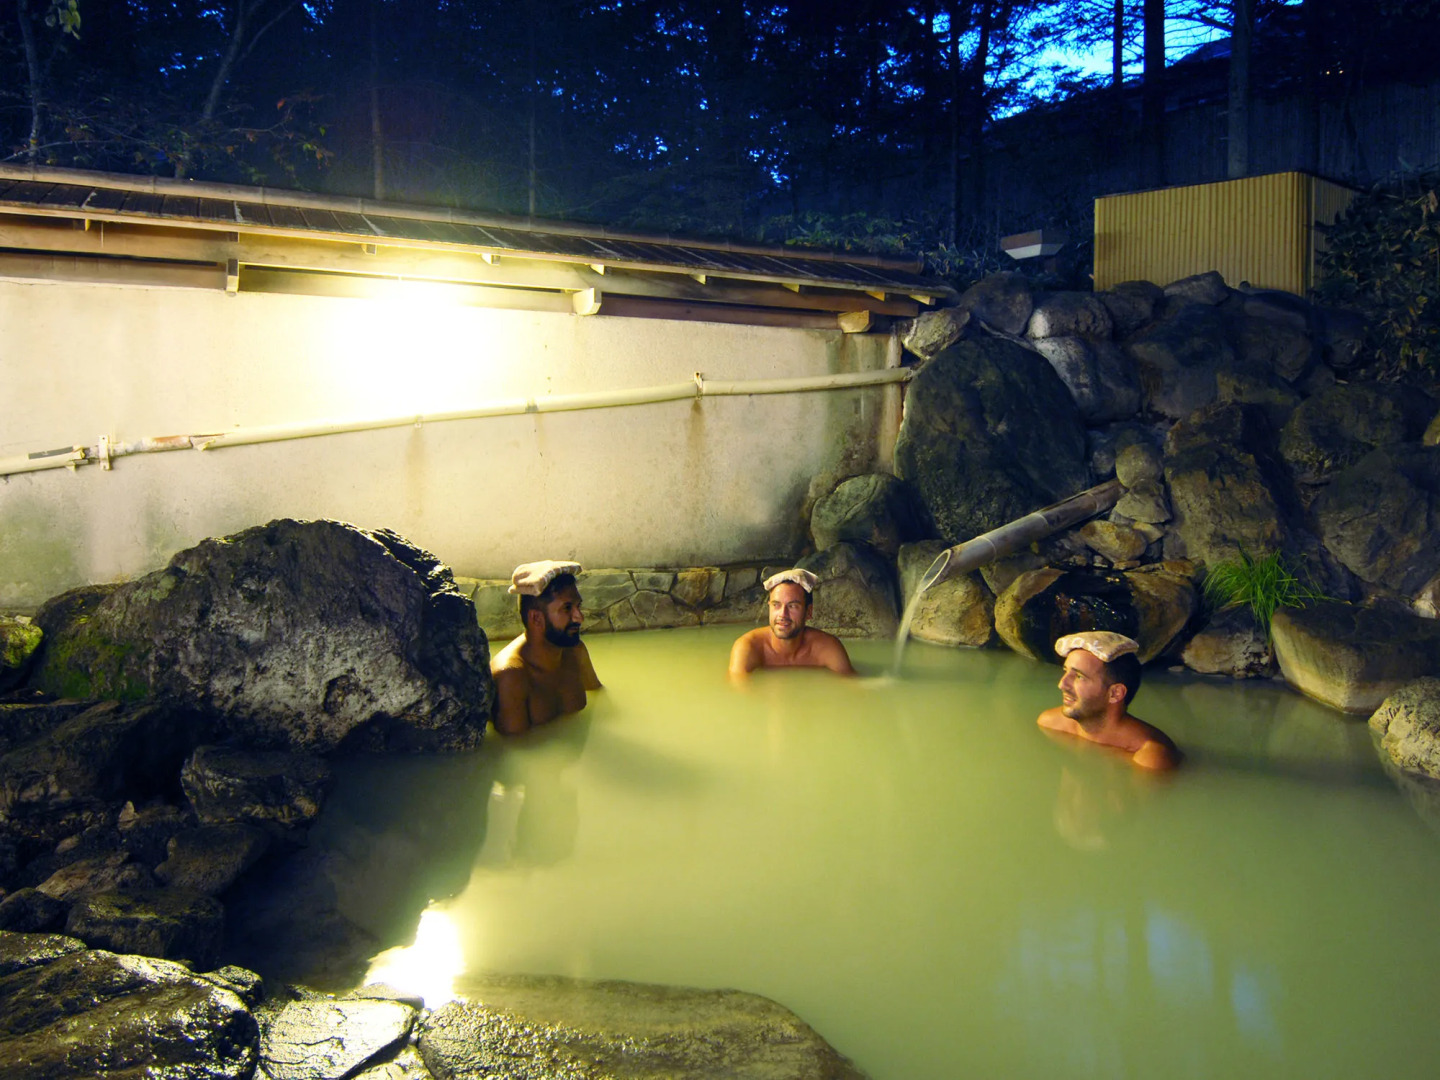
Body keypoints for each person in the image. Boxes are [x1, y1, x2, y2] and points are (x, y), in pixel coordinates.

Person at [1036, 631, 1179, 771]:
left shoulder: (1151, 757)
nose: (1062, 684)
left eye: (1079, 676)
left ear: (1115, 694)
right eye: (1065, 671)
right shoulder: (1050, 724)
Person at [490, 560, 602, 735]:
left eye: (578, 606)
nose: (579, 617)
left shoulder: (575, 651)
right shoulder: (511, 677)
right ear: (536, 618)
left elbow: (600, 699)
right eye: (567, 608)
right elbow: (516, 746)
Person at [728, 568, 856, 678]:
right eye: (776, 605)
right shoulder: (748, 647)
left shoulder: (827, 648)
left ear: (808, 612)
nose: (783, 614)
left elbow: (853, 687)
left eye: (792, 606)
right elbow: (738, 692)